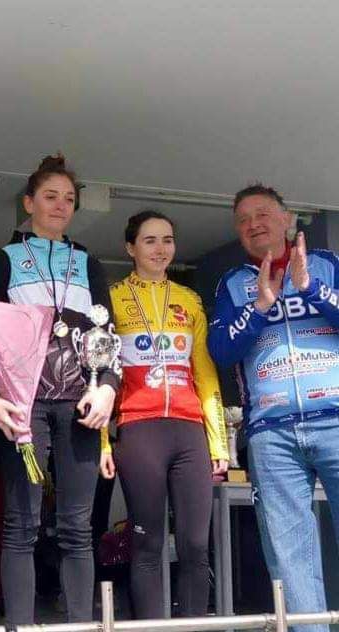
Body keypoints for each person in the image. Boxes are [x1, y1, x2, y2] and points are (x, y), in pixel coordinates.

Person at [0, 154, 119, 629]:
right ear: (29, 203)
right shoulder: (2, 261)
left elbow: (106, 335)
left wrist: (107, 388)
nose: (60, 206)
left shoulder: (88, 263)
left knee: (78, 527)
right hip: (25, 405)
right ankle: (19, 625)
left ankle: (78, 624)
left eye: (69, 199)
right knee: (22, 525)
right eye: (50, 196)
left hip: (80, 402)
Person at [208, 184, 339, 632]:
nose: (253, 224)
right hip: (271, 433)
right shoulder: (232, 283)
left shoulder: (327, 264)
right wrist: (261, 306)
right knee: (289, 554)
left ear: (288, 219)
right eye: (242, 220)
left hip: (335, 420)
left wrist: (310, 288)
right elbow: (221, 350)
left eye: (262, 213)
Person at [107, 210, 228, 619]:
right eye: (150, 240)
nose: (161, 249)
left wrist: (218, 442)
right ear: (130, 247)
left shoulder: (189, 300)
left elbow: (205, 373)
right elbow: (101, 374)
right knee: (147, 544)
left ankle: (194, 626)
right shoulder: (112, 298)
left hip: (189, 432)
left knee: (195, 544)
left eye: (168, 240)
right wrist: (104, 441)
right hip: (139, 430)